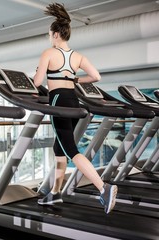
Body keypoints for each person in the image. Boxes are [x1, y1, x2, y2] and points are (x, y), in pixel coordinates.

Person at [33, 2, 118, 214]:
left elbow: (36, 82)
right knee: (59, 148)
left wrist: (37, 73)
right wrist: (76, 80)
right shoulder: (78, 57)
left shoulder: (48, 53)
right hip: (73, 100)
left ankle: (104, 188)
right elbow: (96, 77)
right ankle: (55, 193)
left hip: (58, 100)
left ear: (54, 34)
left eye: (48, 34)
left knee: (71, 150)